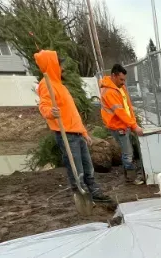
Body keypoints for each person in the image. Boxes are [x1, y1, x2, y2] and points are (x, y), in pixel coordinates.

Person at [35, 49, 110, 203]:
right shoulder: (46, 85)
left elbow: (72, 113)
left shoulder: (60, 86)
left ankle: (94, 191)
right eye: (60, 64)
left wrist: (84, 133)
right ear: (53, 65)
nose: (62, 67)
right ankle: (81, 193)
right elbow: (43, 106)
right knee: (76, 167)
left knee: (87, 165)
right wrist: (50, 112)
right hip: (66, 135)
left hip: (76, 132)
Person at [100, 63, 144, 184]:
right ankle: (130, 177)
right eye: (121, 79)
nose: (123, 82)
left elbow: (127, 107)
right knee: (127, 152)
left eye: (124, 80)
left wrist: (133, 123)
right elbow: (120, 112)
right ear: (113, 76)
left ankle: (134, 173)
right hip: (118, 126)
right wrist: (135, 126)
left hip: (125, 124)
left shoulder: (120, 87)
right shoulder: (109, 92)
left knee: (130, 151)